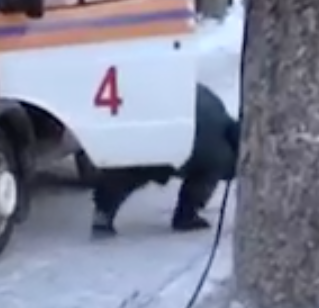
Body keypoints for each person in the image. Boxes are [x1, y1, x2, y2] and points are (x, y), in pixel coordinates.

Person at [91, 83, 239, 236]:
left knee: (128, 166)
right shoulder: (221, 155)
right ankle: (103, 214)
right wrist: (187, 213)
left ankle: (102, 211)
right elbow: (198, 189)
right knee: (135, 171)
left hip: (151, 108)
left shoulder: (216, 108)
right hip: (167, 137)